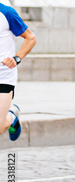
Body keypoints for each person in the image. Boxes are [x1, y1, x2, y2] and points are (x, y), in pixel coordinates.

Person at [0, 3, 33, 144]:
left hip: (4, 76)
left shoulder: (7, 13)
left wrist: (16, 58)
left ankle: (11, 116)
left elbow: (31, 38)